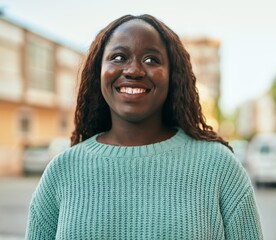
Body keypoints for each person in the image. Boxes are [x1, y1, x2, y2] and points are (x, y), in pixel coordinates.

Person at [26, 14, 263, 239]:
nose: (134, 70)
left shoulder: (218, 166)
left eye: (151, 59)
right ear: (98, 71)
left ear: (173, 76)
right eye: (118, 57)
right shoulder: (62, 171)